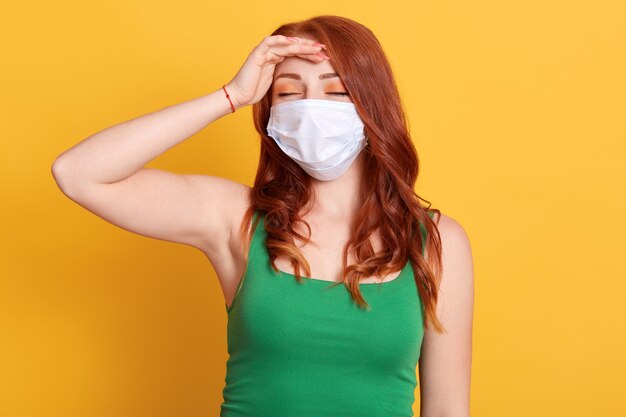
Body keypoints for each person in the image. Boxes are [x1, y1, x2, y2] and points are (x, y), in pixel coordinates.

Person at [52, 14, 474, 417]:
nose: (311, 109)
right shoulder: (235, 218)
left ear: (372, 105)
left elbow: (446, 409)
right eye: (288, 93)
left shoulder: (438, 242)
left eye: (336, 92)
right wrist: (230, 96)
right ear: (270, 110)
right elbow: (78, 173)